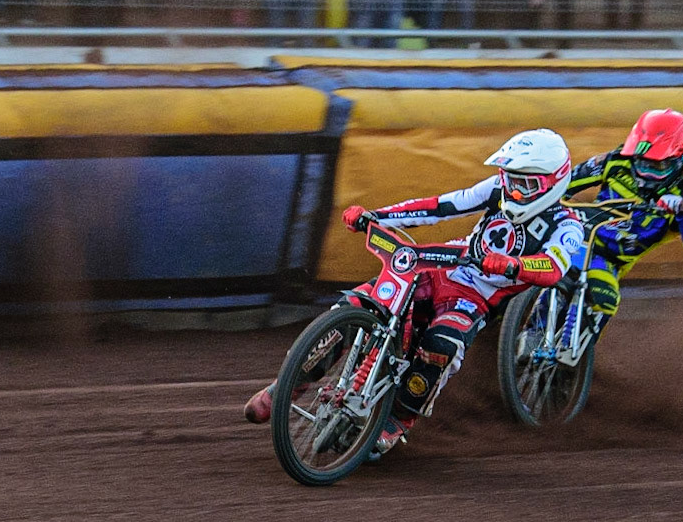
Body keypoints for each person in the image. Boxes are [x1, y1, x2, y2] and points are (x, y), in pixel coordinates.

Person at [244, 128, 584, 454]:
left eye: (525, 184)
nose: (513, 190)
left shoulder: (568, 225)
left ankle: (398, 419)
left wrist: (513, 265)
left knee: (442, 345)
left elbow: (553, 266)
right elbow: (440, 206)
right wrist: (377, 217)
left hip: (475, 298)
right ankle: (286, 387)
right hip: (440, 268)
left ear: (553, 184)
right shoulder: (497, 189)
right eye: (510, 179)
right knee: (358, 305)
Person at [564, 109, 683, 324]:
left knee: (604, 300)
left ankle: (572, 349)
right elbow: (563, 184)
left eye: (658, 166)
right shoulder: (614, 162)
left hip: (609, 261)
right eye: (641, 163)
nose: (646, 173)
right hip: (576, 236)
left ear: (681, 162)